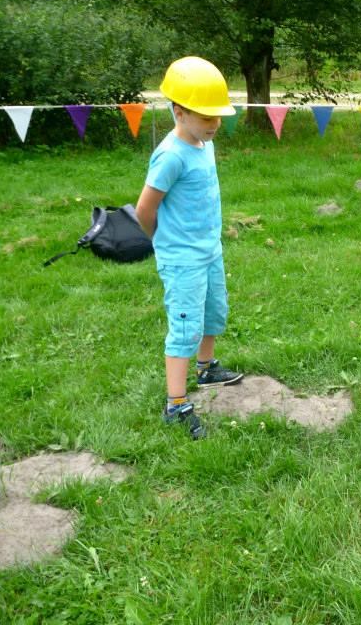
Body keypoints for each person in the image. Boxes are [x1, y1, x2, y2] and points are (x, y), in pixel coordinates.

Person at [136, 56, 244, 440]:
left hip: (209, 250)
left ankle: (207, 366)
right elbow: (145, 209)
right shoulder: (170, 155)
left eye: (218, 117)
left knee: (214, 312)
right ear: (180, 112)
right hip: (183, 258)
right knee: (185, 327)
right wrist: (160, 244)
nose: (216, 124)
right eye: (206, 117)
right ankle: (176, 404)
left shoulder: (202, 142)